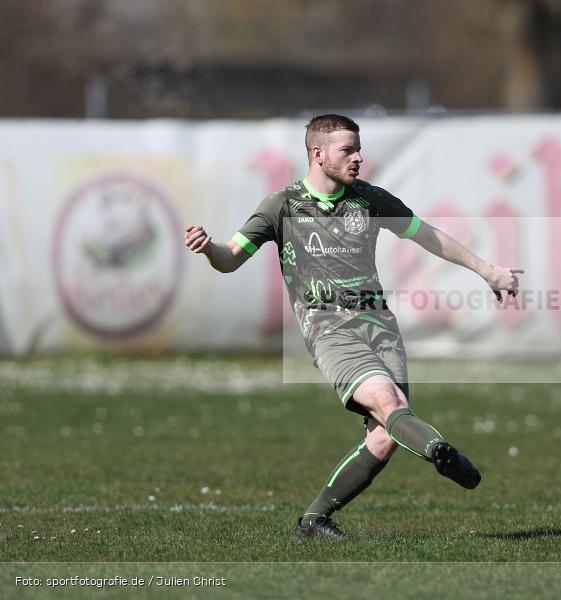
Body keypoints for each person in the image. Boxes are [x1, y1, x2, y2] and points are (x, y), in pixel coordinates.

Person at [184, 114, 522, 539]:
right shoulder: (281, 206)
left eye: (359, 149)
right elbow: (230, 258)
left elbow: (428, 235)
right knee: (389, 402)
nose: (358, 158)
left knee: (383, 438)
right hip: (330, 331)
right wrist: (209, 248)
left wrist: (488, 271)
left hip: (381, 329)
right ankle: (439, 450)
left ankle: (313, 521)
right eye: (347, 150)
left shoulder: (369, 199)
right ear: (318, 154)